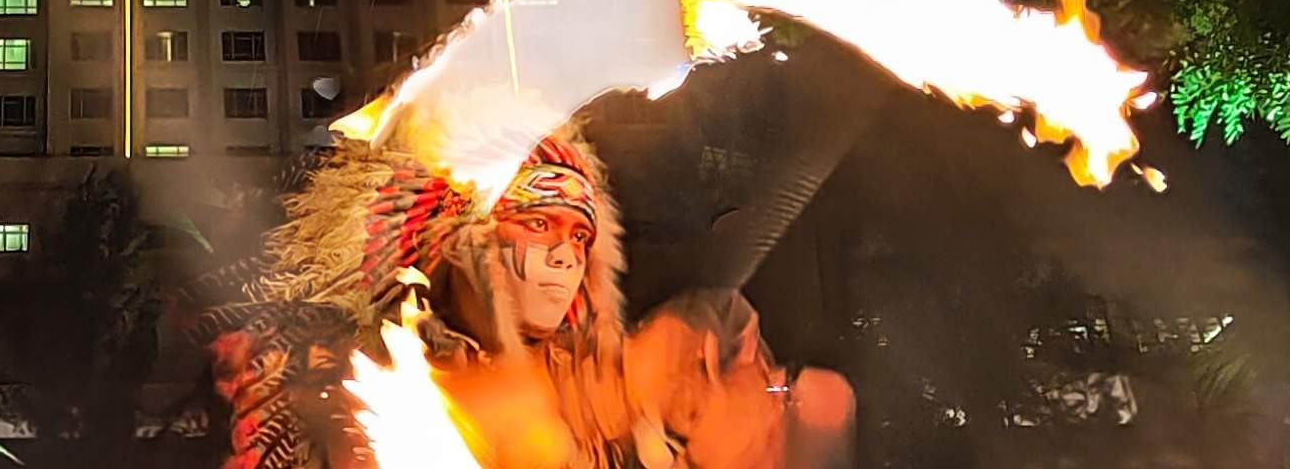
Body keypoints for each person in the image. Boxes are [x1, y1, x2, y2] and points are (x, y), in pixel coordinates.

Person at [208, 114, 854, 469]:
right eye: (539, 225)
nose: (563, 255)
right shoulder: (375, 367)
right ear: (470, 244)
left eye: (579, 238)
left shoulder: (613, 393)